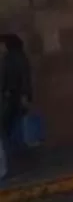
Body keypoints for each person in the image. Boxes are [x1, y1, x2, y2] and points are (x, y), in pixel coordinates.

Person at [0, 34, 31, 179]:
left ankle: (13, 164)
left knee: (9, 130)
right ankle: (15, 162)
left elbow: (24, 78)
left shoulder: (15, 58)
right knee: (11, 130)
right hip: (12, 98)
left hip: (13, 98)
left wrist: (24, 96)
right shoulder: (12, 58)